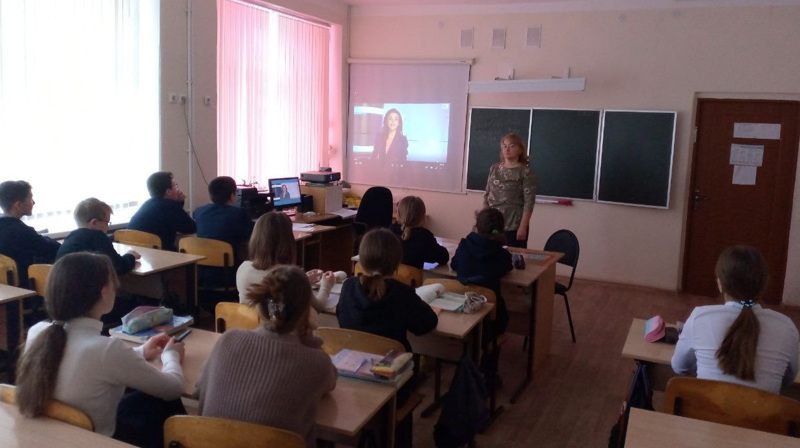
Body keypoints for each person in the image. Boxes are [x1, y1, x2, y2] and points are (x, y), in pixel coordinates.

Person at [16, 253, 186, 448]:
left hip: (53, 439)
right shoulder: (107, 350)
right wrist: (170, 355)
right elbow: (173, 389)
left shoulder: (38, 331)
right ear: (104, 292)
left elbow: (91, 364)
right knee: (164, 402)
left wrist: (140, 352)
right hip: (99, 441)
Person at [195, 265, 337, 448]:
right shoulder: (318, 363)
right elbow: (330, 381)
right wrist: (307, 336)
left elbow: (198, 390)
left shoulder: (228, 339)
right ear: (306, 312)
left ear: (261, 307)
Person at [672, 245, 799, 394]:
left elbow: (680, 367)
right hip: (762, 416)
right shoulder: (786, 327)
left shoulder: (699, 317)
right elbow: (788, 379)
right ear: (764, 284)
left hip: (703, 414)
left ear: (720, 284)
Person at [337, 228, 438, 352]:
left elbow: (341, 316)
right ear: (397, 263)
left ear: (362, 261)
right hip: (392, 367)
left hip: (352, 364)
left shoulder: (348, 287)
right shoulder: (403, 294)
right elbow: (427, 324)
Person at [236, 211, 335, 314]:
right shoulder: (293, 278)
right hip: (279, 329)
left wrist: (305, 281)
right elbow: (318, 307)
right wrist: (326, 285)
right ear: (289, 240)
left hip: (249, 327)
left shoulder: (243, 268)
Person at [450, 208, 513, 334]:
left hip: (462, 311)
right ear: (500, 230)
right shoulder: (501, 254)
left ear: (476, 226)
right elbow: (506, 269)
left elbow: (454, 265)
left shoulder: (464, 245)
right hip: (491, 320)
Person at [0, 180, 60, 288]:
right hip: (25, 292)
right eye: (31, 198)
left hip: (6, 290)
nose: (34, 202)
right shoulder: (20, 232)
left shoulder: (5, 226)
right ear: (18, 205)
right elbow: (54, 249)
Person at [57, 198, 140, 276]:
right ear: (94, 223)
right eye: (106, 222)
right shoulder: (98, 237)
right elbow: (118, 267)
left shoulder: (70, 237)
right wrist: (131, 256)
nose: (107, 228)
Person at [483, 133, 536, 248]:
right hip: (494, 224)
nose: (507, 149)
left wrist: (523, 226)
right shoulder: (494, 168)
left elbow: (529, 202)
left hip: (514, 225)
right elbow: (487, 195)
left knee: (513, 257)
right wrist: (482, 221)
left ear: (520, 149)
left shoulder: (525, 172)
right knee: (492, 254)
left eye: (511, 146)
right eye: (504, 146)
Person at [128, 171, 196, 251]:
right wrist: (177, 204)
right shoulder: (171, 206)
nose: (177, 189)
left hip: (139, 254)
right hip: (160, 255)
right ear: (168, 191)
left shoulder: (147, 204)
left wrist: (177, 203)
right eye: (175, 186)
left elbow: (169, 217)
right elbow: (191, 228)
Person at [193, 176, 253, 260]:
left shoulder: (198, 212)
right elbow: (252, 236)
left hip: (202, 266)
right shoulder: (239, 214)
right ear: (232, 195)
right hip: (230, 268)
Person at [388, 196, 449, 270]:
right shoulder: (425, 237)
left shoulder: (389, 233)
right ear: (422, 216)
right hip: (413, 281)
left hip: (388, 280)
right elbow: (444, 257)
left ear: (398, 214)